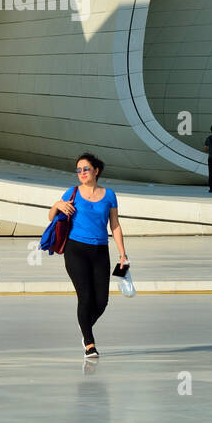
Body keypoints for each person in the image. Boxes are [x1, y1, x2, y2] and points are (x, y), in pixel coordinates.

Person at [48, 152, 128, 358]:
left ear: (96, 170)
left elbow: (115, 225)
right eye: (79, 170)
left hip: (101, 250)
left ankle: (85, 329)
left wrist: (122, 254)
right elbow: (51, 217)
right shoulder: (72, 192)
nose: (82, 173)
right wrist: (57, 205)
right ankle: (90, 343)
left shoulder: (109, 195)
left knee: (101, 301)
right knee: (85, 297)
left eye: (86, 169)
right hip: (76, 250)